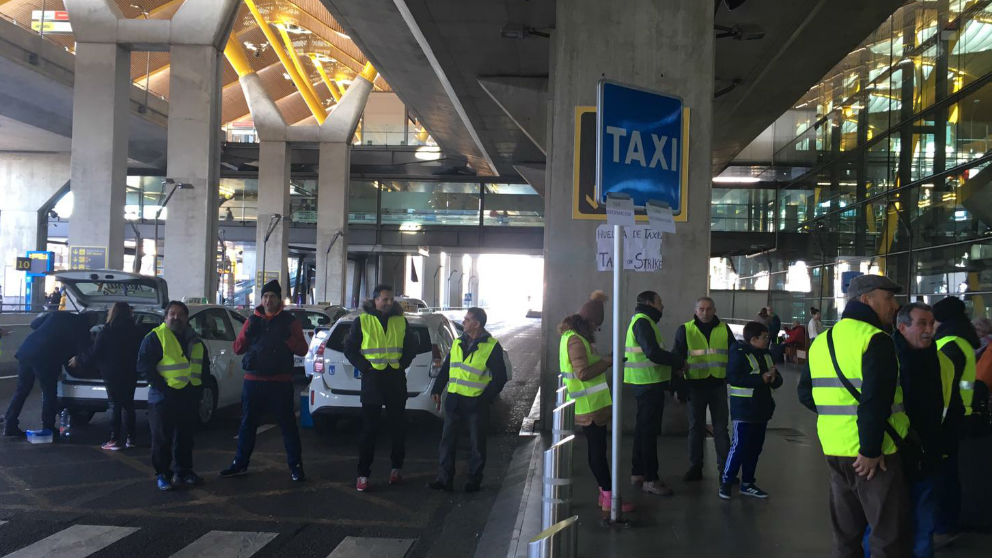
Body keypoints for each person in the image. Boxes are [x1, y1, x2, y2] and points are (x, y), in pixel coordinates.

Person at [800, 274, 911, 558]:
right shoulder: (876, 340)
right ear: (866, 300)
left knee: (846, 536)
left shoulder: (823, 340)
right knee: (887, 537)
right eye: (888, 298)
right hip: (874, 456)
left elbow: (805, 393)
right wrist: (870, 449)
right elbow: (875, 401)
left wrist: (840, 419)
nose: (894, 305)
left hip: (835, 450)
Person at [857, 302, 953, 558]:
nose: (929, 330)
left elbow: (945, 409)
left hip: (926, 455)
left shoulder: (943, 362)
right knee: (882, 527)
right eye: (922, 323)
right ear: (902, 327)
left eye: (931, 324)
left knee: (923, 526)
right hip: (890, 455)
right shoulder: (884, 356)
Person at [220, 280, 309, 482]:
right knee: (247, 424)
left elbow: (302, 350)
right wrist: (247, 335)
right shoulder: (253, 321)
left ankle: (296, 466)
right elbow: (237, 348)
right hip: (254, 381)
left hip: (280, 382)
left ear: (279, 300)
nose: (268, 300)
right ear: (261, 299)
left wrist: (288, 338)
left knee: (288, 427)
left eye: (273, 297)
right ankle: (240, 463)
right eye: (265, 296)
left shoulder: (290, 322)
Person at [559, 290, 633, 513]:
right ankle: (609, 496)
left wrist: (606, 359)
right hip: (589, 406)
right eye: (596, 326)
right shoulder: (576, 340)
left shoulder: (571, 337)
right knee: (597, 453)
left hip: (590, 404)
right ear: (589, 322)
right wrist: (608, 362)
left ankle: (604, 494)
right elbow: (583, 373)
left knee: (597, 451)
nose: (596, 330)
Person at [343, 284, 418, 492]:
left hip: (395, 379)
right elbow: (349, 348)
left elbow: (411, 347)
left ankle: (396, 470)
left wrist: (402, 364)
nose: (388, 302)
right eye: (384, 299)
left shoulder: (401, 321)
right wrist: (365, 367)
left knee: (398, 429)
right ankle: (363, 475)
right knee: (369, 430)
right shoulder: (362, 321)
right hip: (373, 380)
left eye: (390, 299)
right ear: (374, 300)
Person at [428, 307, 507, 492]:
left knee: (476, 444)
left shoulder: (491, 346)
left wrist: (485, 398)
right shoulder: (457, 343)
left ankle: (473, 480)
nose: (463, 322)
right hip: (454, 400)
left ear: (477, 324)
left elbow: (500, 378)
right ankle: (444, 479)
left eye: (467, 319)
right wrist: (437, 389)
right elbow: (447, 368)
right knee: (447, 442)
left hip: (475, 403)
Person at [136, 301, 208, 491]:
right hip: (163, 396)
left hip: (188, 394)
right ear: (165, 317)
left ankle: (183, 471)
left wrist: (199, 391)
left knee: (185, 437)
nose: (176, 317)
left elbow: (203, 367)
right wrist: (162, 387)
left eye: (180, 314)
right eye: (172, 314)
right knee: (162, 438)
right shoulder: (155, 337)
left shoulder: (195, 339)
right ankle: (163, 474)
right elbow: (144, 366)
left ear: (186, 318)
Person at [623, 290, 683, 496]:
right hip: (648, 384)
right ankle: (651, 478)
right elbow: (653, 353)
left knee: (642, 430)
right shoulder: (643, 322)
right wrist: (677, 361)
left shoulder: (643, 321)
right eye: (660, 303)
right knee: (649, 432)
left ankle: (638, 472)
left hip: (647, 383)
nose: (662, 307)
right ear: (649, 303)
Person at [931, 296, 981, 537]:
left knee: (944, 474)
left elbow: (943, 386)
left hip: (950, 416)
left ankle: (944, 523)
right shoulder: (962, 340)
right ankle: (947, 522)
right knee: (950, 472)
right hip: (962, 413)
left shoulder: (949, 343)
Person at [3, 311, 92, 438]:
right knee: (49, 393)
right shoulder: (82, 326)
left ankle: (10, 424)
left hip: (27, 351)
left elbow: (34, 324)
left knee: (21, 390)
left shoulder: (58, 314)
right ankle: (48, 427)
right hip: (46, 358)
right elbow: (85, 350)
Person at [673, 297, 733, 482]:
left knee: (721, 429)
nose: (705, 313)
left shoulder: (724, 329)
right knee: (695, 428)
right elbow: (677, 358)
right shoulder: (685, 329)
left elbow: (733, 354)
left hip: (718, 385)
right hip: (695, 386)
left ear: (714, 310)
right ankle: (695, 467)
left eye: (708, 309)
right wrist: (679, 388)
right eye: (701, 309)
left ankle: (726, 470)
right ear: (696, 310)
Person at [721, 321, 782, 500]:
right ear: (753, 339)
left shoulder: (767, 354)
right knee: (739, 446)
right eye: (764, 337)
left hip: (761, 409)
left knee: (755, 448)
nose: (767, 340)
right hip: (744, 410)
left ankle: (747, 483)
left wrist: (773, 379)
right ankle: (726, 482)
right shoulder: (739, 353)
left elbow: (777, 378)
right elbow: (733, 378)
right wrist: (760, 379)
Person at [69, 302, 142, 450]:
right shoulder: (136, 331)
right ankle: (131, 439)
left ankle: (114, 440)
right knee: (128, 405)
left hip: (112, 373)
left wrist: (78, 360)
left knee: (115, 405)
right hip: (130, 371)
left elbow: (95, 352)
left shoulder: (107, 331)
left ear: (113, 313)